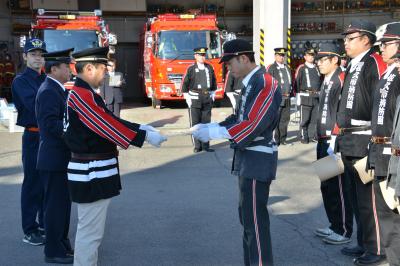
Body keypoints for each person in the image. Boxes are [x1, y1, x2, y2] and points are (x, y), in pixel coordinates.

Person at [63, 46, 167, 266]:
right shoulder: (82, 95)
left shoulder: (85, 93)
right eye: (103, 68)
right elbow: (106, 125)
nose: (106, 73)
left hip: (93, 171)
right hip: (91, 173)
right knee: (90, 234)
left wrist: (142, 127)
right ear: (89, 68)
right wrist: (143, 136)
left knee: (91, 232)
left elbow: (108, 120)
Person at [191, 39, 281, 265]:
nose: (226, 67)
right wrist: (211, 127)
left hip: (257, 157)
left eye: (229, 62)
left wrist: (215, 134)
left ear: (243, 58)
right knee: (247, 219)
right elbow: (238, 117)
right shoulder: (250, 82)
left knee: (255, 221)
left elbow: (252, 124)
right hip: (247, 157)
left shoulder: (265, 82)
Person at [335, 19, 387, 265]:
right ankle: (362, 241)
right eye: (345, 38)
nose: (345, 42)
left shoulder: (374, 62)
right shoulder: (352, 65)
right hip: (348, 139)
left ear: (366, 39)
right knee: (355, 197)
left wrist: (376, 139)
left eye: (350, 38)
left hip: (365, 137)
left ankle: (376, 248)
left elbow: (381, 104)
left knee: (370, 200)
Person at [35, 48, 74, 264]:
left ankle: (61, 244)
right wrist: (75, 129)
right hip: (54, 158)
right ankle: (53, 250)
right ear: (53, 69)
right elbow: (51, 125)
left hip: (59, 158)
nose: (69, 70)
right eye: (66, 67)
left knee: (62, 206)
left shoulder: (57, 89)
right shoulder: (49, 90)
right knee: (55, 207)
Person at [313, 43, 353, 245]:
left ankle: (344, 229)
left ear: (335, 60)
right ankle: (334, 225)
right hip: (323, 139)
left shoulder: (341, 79)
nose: (318, 63)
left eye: (322, 59)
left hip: (333, 140)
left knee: (338, 186)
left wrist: (335, 137)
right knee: (327, 186)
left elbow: (343, 111)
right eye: (318, 59)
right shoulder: (327, 79)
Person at [368, 22, 400, 266]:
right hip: (380, 148)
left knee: (394, 215)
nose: (381, 49)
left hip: (394, 151)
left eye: (386, 44)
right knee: (386, 214)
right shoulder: (387, 73)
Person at [11, 38, 47, 246]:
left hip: (48, 136)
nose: (38, 58)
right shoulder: (21, 81)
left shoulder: (46, 79)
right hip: (33, 136)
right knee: (33, 184)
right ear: (25, 57)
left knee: (46, 182)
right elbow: (37, 105)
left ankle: (43, 223)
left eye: (41, 54)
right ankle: (29, 229)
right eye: (33, 54)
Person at [182, 47, 217, 153]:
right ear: (195, 56)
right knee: (196, 124)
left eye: (204, 55)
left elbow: (213, 83)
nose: (202, 57)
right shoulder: (191, 69)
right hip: (195, 98)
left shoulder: (209, 68)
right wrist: (188, 98)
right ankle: (197, 146)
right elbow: (184, 86)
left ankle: (206, 145)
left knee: (206, 124)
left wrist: (212, 94)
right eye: (200, 55)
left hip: (206, 98)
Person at [295, 47, 322, 143]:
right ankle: (303, 136)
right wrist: (297, 95)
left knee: (314, 119)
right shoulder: (301, 68)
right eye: (309, 55)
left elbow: (321, 81)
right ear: (305, 57)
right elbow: (297, 82)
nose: (311, 57)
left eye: (313, 55)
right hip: (305, 96)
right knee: (304, 119)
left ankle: (311, 136)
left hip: (316, 96)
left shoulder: (317, 68)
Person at [266, 47, 292, 145]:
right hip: (276, 97)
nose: (282, 57)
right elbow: (267, 83)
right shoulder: (271, 68)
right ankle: (276, 139)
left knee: (285, 119)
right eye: (280, 55)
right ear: (275, 56)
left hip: (287, 97)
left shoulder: (287, 68)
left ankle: (283, 139)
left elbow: (290, 82)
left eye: (283, 55)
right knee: (276, 119)